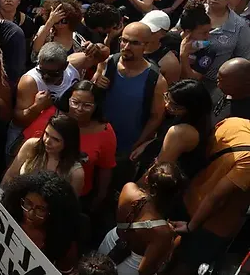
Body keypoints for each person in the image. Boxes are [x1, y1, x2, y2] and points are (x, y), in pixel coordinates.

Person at [168, 117, 250, 275]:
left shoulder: (233, 122)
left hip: (189, 197)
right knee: (186, 264)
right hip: (212, 222)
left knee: (170, 250)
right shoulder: (248, 161)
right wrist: (191, 226)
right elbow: (216, 197)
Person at [93, 23, 168, 158]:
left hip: (125, 149)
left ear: (146, 45)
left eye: (134, 43)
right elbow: (88, 95)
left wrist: (138, 144)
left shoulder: (156, 81)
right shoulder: (107, 63)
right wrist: (96, 82)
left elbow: (156, 117)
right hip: (97, 139)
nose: (126, 47)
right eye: (124, 40)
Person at [98, 163, 185, 275]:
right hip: (129, 267)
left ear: (147, 178)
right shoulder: (163, 232)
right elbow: (144, 270)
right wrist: (171, 246)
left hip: (109, 244)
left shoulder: (128, 189)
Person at [3, 113, 85, 195]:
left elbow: (70, 202)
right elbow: (10, 176)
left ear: (69, 143)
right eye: (46, 134)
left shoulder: (75, 173)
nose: (47, 141)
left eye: (55, 139)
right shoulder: (31, 146)